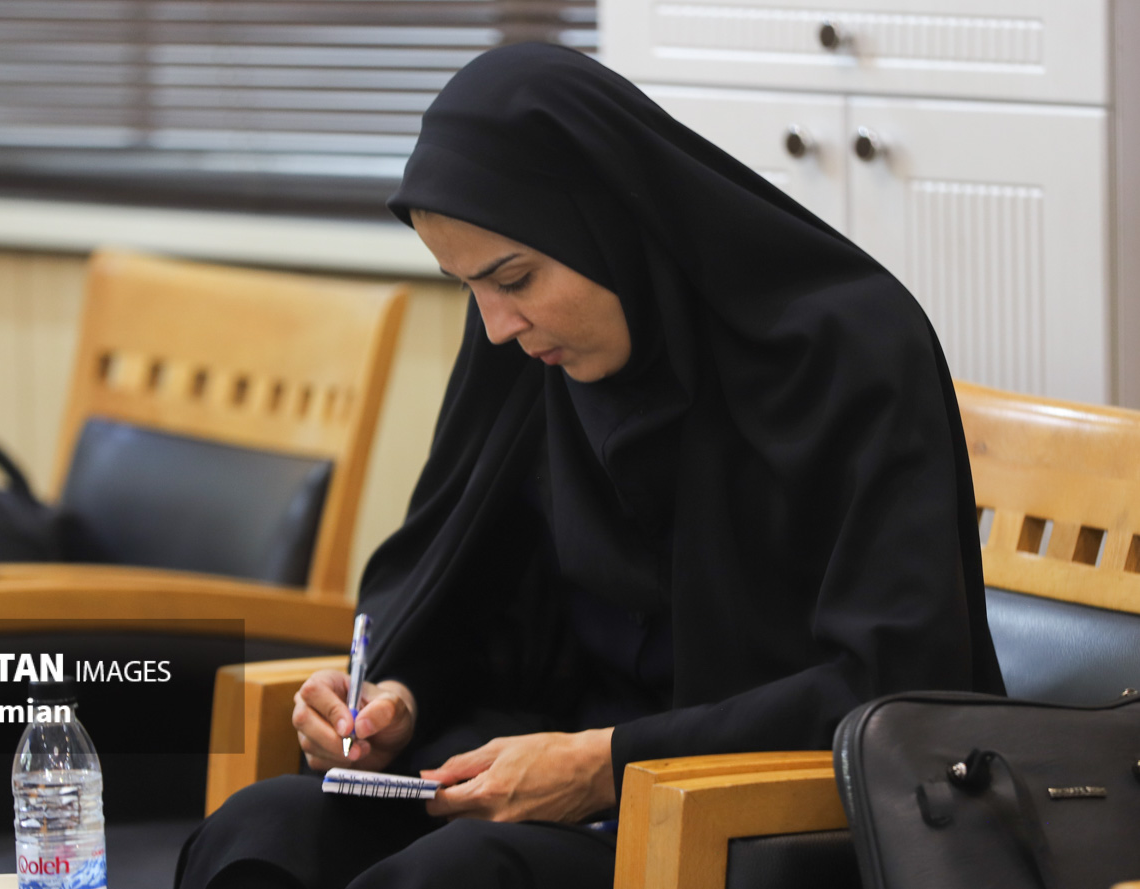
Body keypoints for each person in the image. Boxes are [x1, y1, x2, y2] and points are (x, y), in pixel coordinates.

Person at [175, 42, 1004, 889]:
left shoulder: (848, 349)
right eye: (468, 287)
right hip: (551, 780)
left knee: (461, 873)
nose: (496, 325)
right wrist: (395, 696)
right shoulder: (523, 357)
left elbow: (894, 682)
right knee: (264, 827)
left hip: (756, 819)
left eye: (515, 278)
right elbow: (469, 591)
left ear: (605, 223)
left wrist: (609, 762)